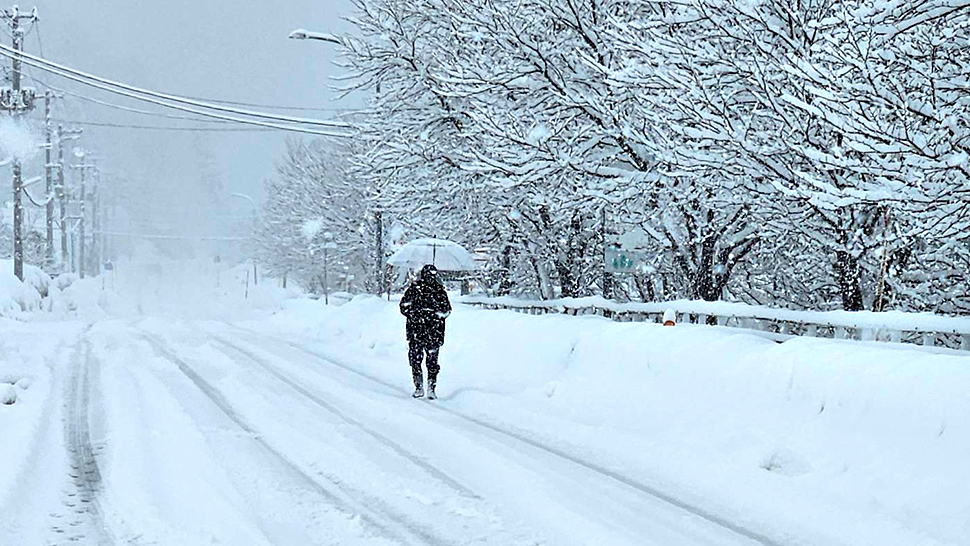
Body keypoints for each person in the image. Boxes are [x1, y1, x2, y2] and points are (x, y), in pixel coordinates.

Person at [399, 264, 452, 399]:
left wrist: (419, 314)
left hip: (421, 331)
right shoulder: (435, 291)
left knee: (417, 360)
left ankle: (422, 387)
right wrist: (422, 314)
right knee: (430, 361)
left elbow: (404, 307)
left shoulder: (421, 289)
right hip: (430, 332)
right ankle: (428, 387)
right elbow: (446, 311)